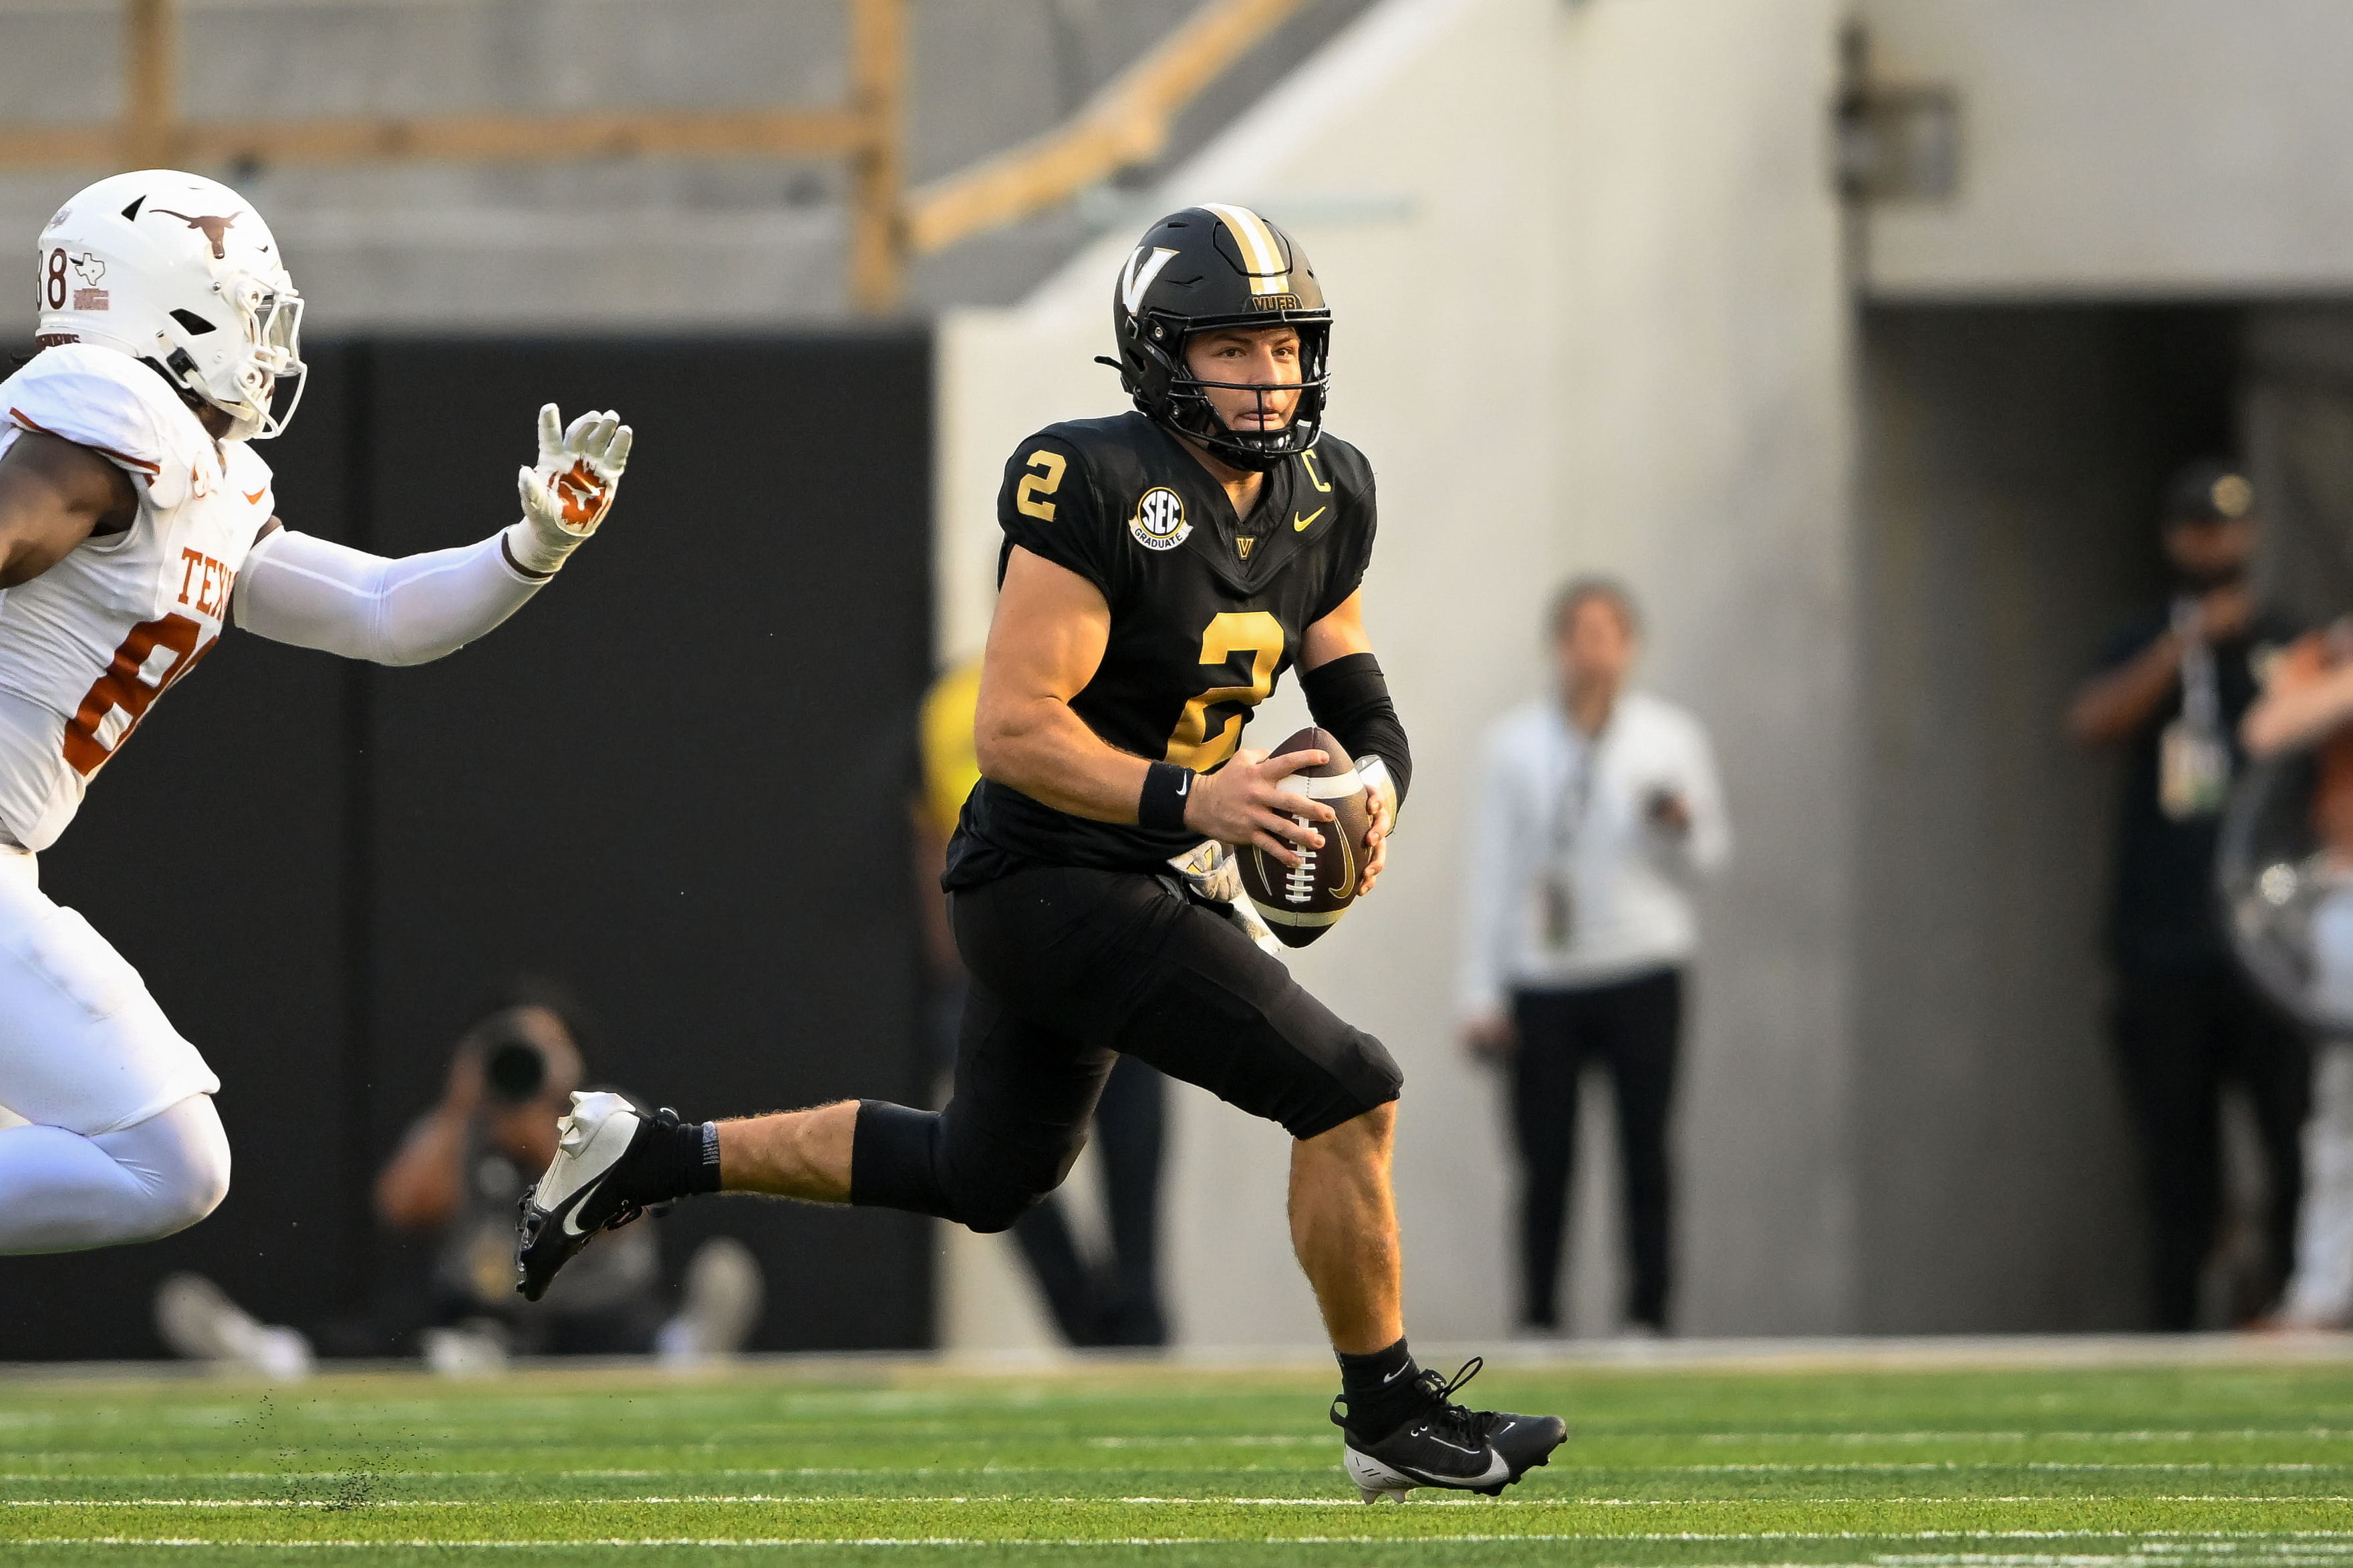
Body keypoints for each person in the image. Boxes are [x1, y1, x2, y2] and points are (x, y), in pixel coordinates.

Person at [516, 204, 1566, 1501]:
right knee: (1346, 1088)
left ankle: (656, 1154)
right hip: (1047, 879)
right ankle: (1387, 1411)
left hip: (1125, 876)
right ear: (1157, 357)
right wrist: (1203, 799)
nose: (1267, 376)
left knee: (987, 1171)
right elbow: (1010, 732)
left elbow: (1352, 692)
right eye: (1231, 348)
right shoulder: (1088, 478)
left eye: (1283, 347)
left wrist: (1374, 790)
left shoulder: (1326, 489)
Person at [0, 170, 630, 1259]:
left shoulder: (210, 479)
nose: (265, 340)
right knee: (169, 1159)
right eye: (247, 308)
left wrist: (529, 551)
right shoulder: (116, 408)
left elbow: (382, 610)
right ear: (167, 302)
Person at [2068, 460, 2308, 1329]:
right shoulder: (2143, 636)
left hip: (2265, 945)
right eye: (2201, 528)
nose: (2217, 543)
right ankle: (2171, 1335)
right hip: (2162, 942)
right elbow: (2090, 722)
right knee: (2176, 1169)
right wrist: (2183, 646)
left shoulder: (2286, 643)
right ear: (2175, 538)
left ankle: (2290, 1311)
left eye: (2230, 528)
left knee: (2292, 1146)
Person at [1457, 579, 1729, 1338]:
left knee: (1645, 1149)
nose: (1592, 649)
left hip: (1644, 968)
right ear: (1556, 646)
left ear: (1630, 645)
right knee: (1543, 1159)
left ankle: (1647, 1316)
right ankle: (1539, 1318)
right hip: (1543, 979)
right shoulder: (1512, 746)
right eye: (1577, 633)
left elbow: (1709, 857)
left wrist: (1677, 824)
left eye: (1607, 633)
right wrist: (1478, 991)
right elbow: (1490, 872)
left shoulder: (1669, 739)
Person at [916, 655, 1169, 1348]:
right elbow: (931, 835)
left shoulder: (1101, 693)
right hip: (1000, 955)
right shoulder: (952, 703)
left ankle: (1139, 1316)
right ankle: (1085, 1319)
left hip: (1103, 938)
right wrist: (957, 961)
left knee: (1132, 1145)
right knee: (992, 1157)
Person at [2240, 622, 2353, 1327]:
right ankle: (2321, 1291)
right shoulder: (2328, 651)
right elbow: (2266, 729)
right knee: (2342, 1107)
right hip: (2347, 895)